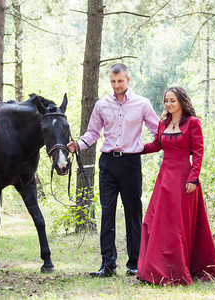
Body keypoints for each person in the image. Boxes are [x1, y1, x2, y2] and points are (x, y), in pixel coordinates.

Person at [67, 63, 159, 277]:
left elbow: (159, 132)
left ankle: (135, 264)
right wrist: (77, 145)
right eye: (113, 81)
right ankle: (107, 265)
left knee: (132, 212)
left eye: (120, 81)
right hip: (108, 162)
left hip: (130, 163)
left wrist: (143, 149)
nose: (116, 85)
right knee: (107, 212)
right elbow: (92, 133)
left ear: (128, 80)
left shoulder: (142, 104)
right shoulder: (101, 104)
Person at [136, 86, 215, 285]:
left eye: (172, 100)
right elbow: (156, 145)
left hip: (184, 179)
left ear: (182, 101)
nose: (169, 104)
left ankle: (178, 270)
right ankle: (154, 270)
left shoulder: (193, 123)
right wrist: (134, 149)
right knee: (155, 222)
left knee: (177, 225)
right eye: (166, 100)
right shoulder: (162, 123)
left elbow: (199, 153)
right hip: (164, 178)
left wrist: (193, 178)